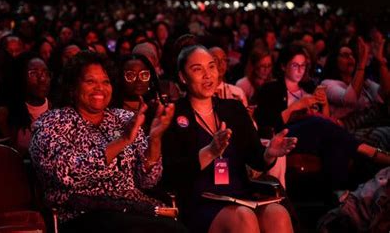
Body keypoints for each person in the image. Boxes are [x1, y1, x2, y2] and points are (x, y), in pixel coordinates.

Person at [29, 51, 185, 233]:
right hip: (81, 214)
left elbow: (148, 181)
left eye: (105, 82)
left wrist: (155, 139)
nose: (99, 88)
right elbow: (67, 175)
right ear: (72, 87)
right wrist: (122, 140)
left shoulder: (124, 118)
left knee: (176, 229)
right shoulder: (51, 124)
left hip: (133, 209)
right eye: (90, 81)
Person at [162, 45, 296, 233]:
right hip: (200, 201)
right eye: (197, 69)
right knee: (243, 217)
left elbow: (256, 160)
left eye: (211, 66)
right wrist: (210, 152)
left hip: (239, 195)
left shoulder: (233, 109)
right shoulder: (173, 115)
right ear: (183, 77)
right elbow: (170, 173)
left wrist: (269, 154)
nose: (207, 75)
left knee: (278, 213)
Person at [254, 43, 390, 192]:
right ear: (283, 66)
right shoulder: (271, 89)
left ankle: (338, 195)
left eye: (303, 65)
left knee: (334, 143)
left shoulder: (310, 87)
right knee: (317, 124)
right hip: (287, 135)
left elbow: (326, 122)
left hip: (314, 136)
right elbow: (267, 124)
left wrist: (323, 104)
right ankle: (370, 152)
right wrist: (296, 107)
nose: (300, 70)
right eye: (295, 65)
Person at [0, 53, 52, 156]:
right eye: (34, 74)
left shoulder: (57, 109)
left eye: (45, 73)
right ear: (20, 77)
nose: (42, 79)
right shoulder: (6, 114)